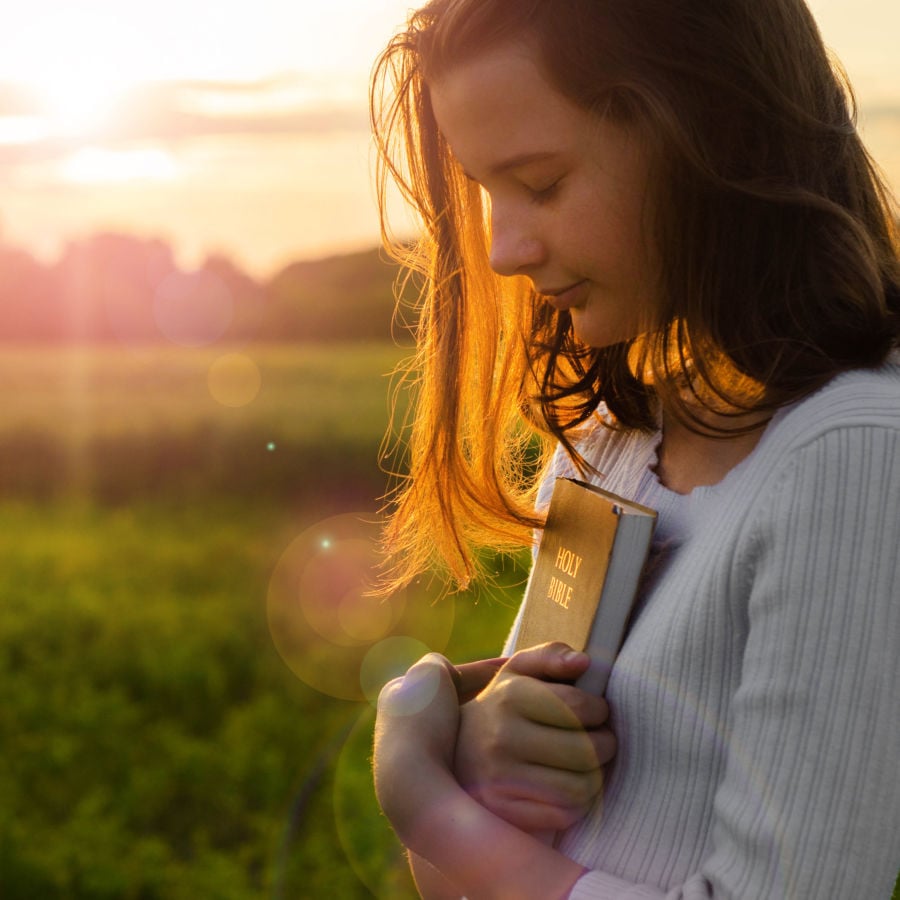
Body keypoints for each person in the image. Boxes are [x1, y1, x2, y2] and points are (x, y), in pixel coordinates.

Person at [368, 0, 900, 897]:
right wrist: (477, 744)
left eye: (539, 184)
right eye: (488, 191)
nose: (501, 250)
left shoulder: (854, 459)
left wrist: (422, 793)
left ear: (711, 131)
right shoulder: (609, 448)